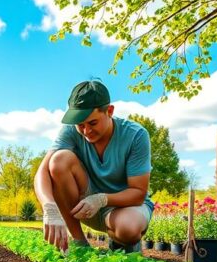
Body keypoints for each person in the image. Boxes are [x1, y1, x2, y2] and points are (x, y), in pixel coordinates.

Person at [33, 80, 153, 252]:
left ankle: (121, 242)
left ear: (109, 111)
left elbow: (138, 194)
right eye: (80, 125)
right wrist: (49, 208)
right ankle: (80, 244)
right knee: (58, 160)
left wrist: (101, 199)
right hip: (84, 207)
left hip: (126, 207)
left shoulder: (136, 135)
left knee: (128, 228)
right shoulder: (70, 131)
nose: (86, 131)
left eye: (93, 123)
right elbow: (41, 173)